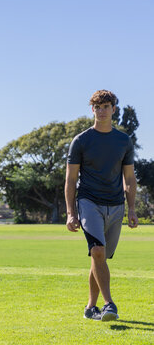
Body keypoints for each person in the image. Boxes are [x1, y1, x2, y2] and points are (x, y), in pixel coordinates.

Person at [65, 89, 138, 322]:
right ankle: (109, 304)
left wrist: (133, 208)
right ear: (92, 110)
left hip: (116, 205)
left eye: (106, 106)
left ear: (113, 110)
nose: (102, 110)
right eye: (97, 107)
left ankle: (90, 308)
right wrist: (70, 213)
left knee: (100, 258)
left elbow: (129, 178)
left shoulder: (124, 141)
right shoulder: (81, 141)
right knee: (97, 251)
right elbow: (70, 179)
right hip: (89, 202)